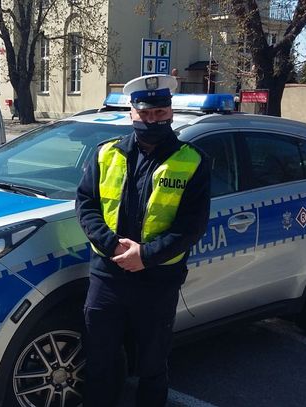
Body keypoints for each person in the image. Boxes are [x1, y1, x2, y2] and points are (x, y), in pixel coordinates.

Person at [75, 74, 211, 407]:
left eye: (159, 113)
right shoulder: (105, 154)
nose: (152, 120)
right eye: (145, 113)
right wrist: (112, 246)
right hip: (107, 277)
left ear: (170, 112)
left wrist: (145, 256)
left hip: (157, 281)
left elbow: (192, 226)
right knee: (99, 363)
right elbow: (86, 205)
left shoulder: (193, 161)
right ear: (132, 113)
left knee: (152, 367)